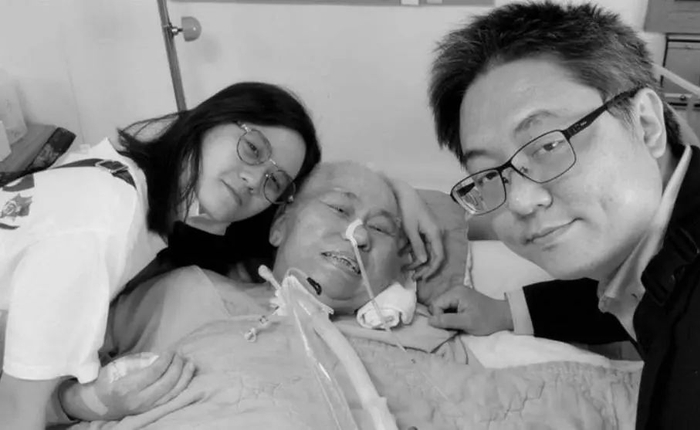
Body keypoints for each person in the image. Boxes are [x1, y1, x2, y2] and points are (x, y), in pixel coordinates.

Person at [57, 162, 640, 429]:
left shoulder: (423, 338)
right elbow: (34, 397)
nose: (358, 234)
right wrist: (89, 403)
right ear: (279, 225)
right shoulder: (180, 291)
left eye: (381, 230)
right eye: (338, 209)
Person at [426, 2, 700, 429]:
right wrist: (505, 312)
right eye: (488, 174)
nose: (520, 201)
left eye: (548, 146)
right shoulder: (647, 244)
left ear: (646, 124)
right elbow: (619, 289)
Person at [0, 81, 323, 429]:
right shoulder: (108, 221)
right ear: (210, 121)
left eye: (274, 182)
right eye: (254, 148)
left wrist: (84, 402)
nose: (254, 181)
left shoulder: (121, 175)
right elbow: (16, 410)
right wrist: (86, 404)